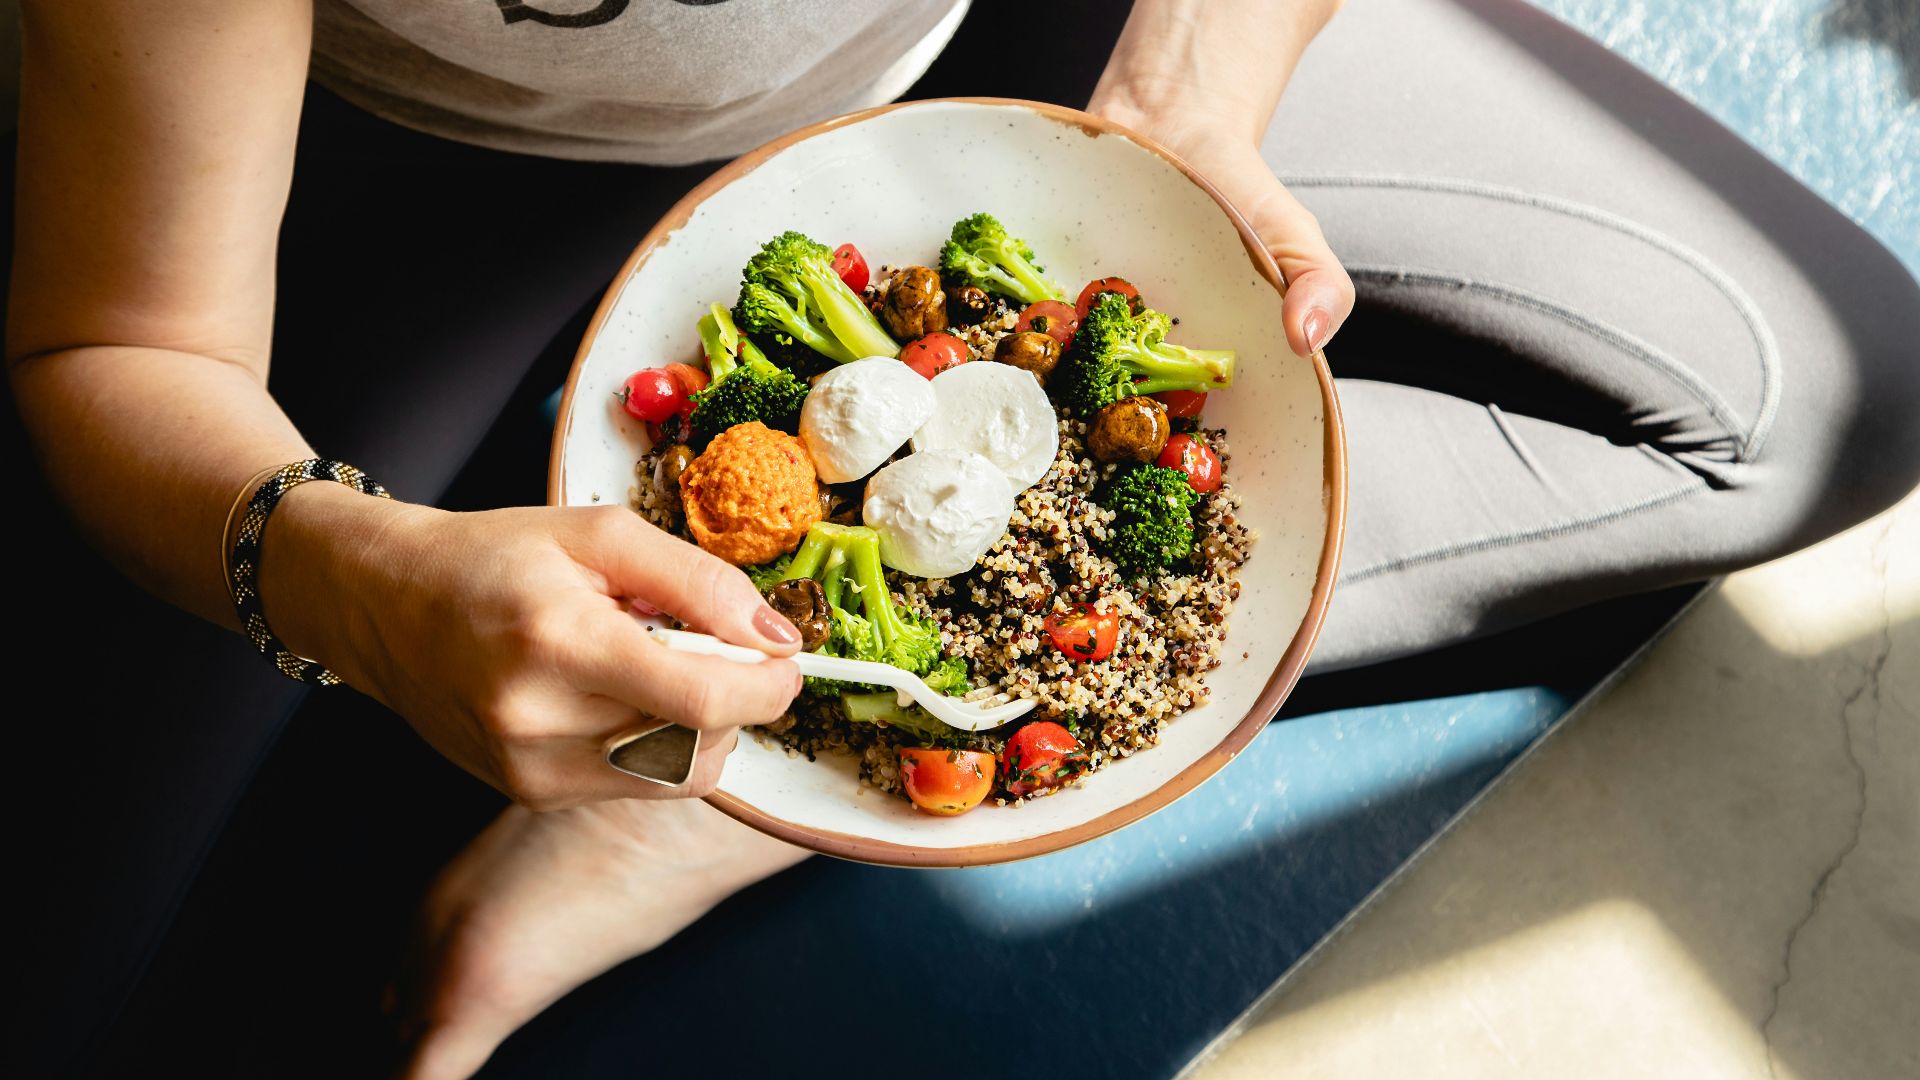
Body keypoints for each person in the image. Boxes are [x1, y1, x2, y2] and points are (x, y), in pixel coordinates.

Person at [7, 0, 1917, 1076]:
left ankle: (710, 794)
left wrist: (1190, 96)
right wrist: (362, 579)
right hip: (459, 165)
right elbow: (129, 342)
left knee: (1812, 398)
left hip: (1013, 31)